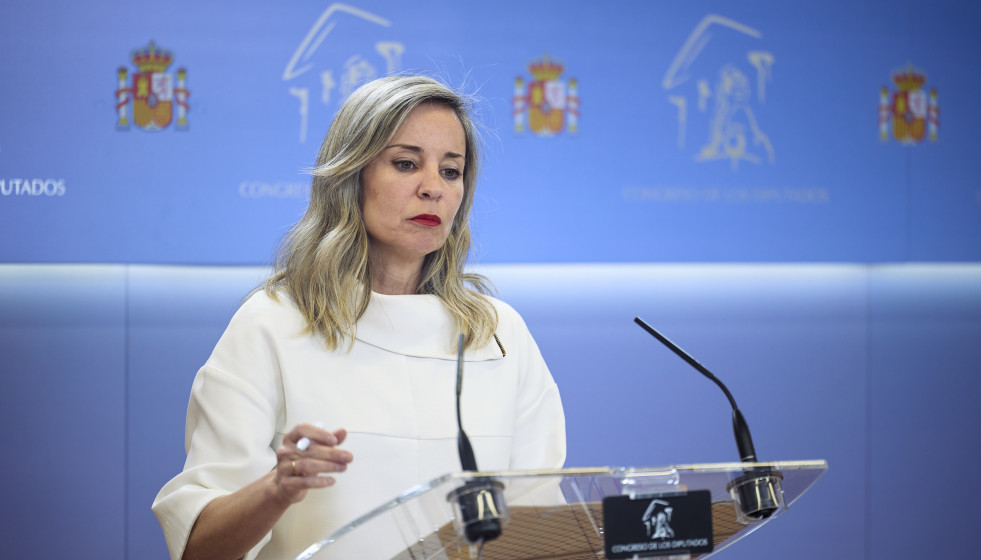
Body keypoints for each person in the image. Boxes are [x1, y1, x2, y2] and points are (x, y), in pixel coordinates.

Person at [152, 75, 566, 560]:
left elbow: (546, 534)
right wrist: (276, 489)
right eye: (406, 164)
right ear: (352, 175)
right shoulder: (273, 323)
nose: (433, 188)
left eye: (451, 171)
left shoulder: (498, 334)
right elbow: (199, 549)